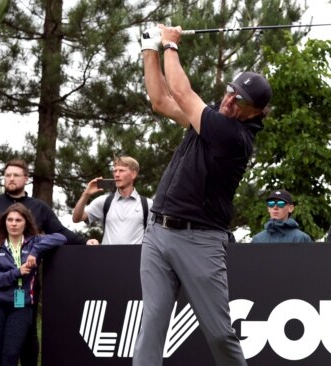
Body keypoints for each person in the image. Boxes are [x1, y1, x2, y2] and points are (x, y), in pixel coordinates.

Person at [133, 24, 272, 366]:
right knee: (151, 323)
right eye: (230, 92)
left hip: (200, 241)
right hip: (158, 233)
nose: (229, 101)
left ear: (256, 112)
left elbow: (181, 92)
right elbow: (161, 100)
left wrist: (170, 45)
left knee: (219, 332)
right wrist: (149, 49)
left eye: (239, 100)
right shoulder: (212, 118)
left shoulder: (234, 135)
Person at [0, 158, 89, 366]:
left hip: (26, 287)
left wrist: (85, 242)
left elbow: (59, 233)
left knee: (27, 336)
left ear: (26, 179)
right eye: (7, 175)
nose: (11, 179)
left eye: (15, 175)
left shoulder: (38, 207)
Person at [0, 203, 65, 366]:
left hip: (21, 305)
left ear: (25, 222)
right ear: (5, 222)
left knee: (11, 353)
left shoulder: (34, 242)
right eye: (10, 220)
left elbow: (61, 238)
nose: (13, 223)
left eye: (18, 220)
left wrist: (35, 251)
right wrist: (16, 273)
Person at [72, 156, 152, 245]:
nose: (116, 174)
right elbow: (76, 218)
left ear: (133, 174)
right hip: (108, 257)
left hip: (136, 257)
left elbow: (155, 235)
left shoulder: (148, 204)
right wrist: (86, 194)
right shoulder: (104, 201)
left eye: (121, 170)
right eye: (115, 171)